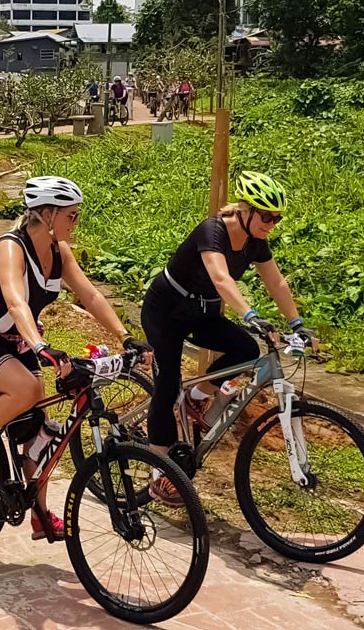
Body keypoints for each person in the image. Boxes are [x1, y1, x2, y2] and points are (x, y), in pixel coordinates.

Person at [0, 176, 137, 541]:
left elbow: (92, 296)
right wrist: (39, 346)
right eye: (72, 215)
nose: (75, 222)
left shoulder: (58, 252)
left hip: (18, 338)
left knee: (41, 434)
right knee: (26, 388)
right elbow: (15, 301)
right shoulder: (10, 248)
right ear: (48, 214)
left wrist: (126, 337)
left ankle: (39, 513)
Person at [140, 171, 316, 505]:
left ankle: (195, 396)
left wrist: (296, 322)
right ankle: (159, 473)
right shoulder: (212, 230)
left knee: (246, 349)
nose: (271, 223)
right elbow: (221, 278)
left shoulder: (256, 242)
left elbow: (276, 282)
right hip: (166, 309)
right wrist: (249, 314)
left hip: (202, 312)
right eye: (266, 216)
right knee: (167, 382)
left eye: (277, 218)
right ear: (245, 210)